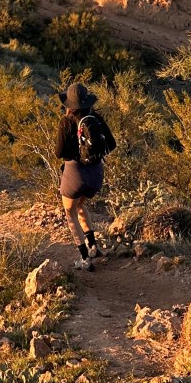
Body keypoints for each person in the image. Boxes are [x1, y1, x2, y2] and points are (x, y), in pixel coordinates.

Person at [55, 81, 116, 271]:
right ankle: (94, 247)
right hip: (96, 173)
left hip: (75, 174)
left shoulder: (66, 121)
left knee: (70, 212)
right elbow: (112, 144)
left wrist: (75, 153)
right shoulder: (95, 118)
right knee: (80, 205)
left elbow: (58, 152)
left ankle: (84, 258)